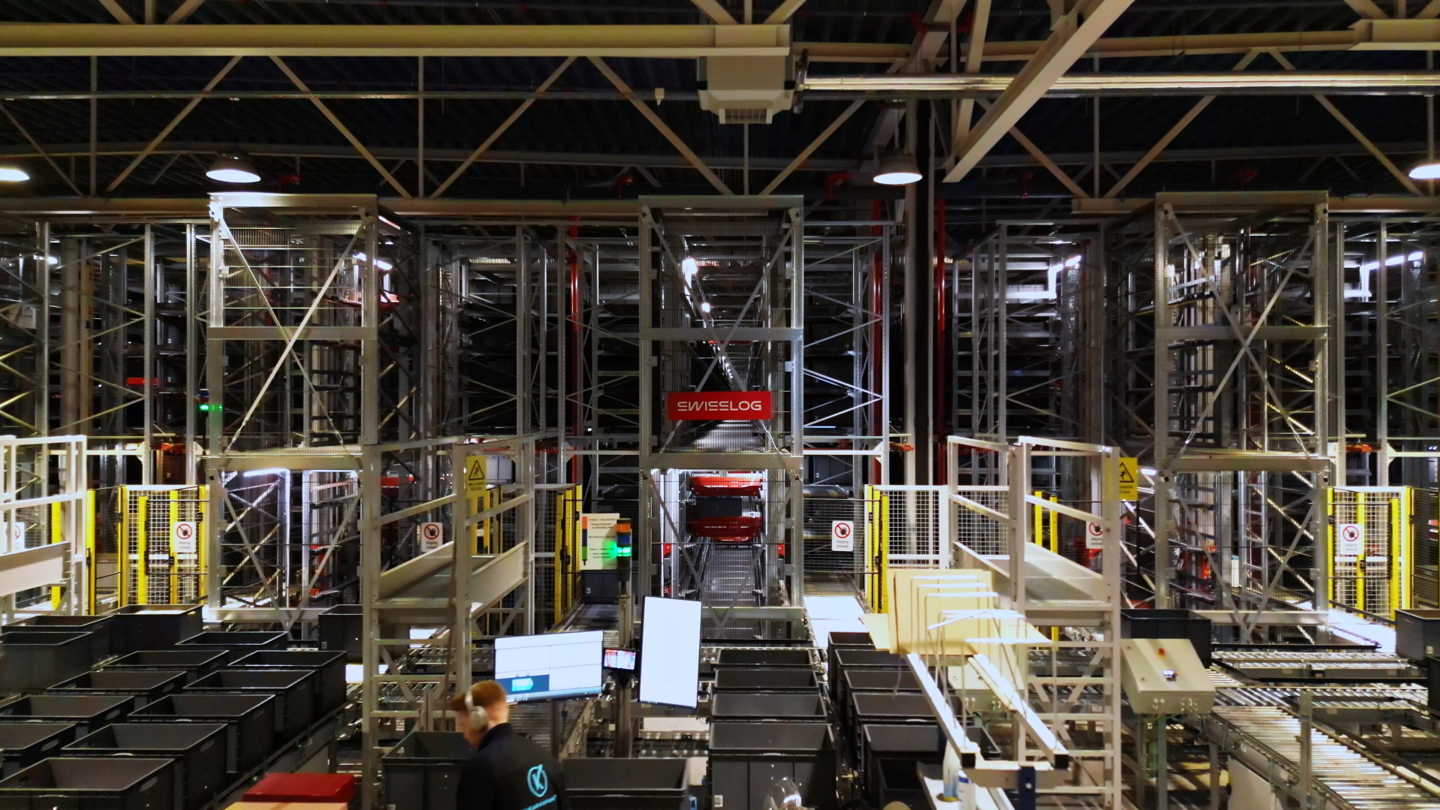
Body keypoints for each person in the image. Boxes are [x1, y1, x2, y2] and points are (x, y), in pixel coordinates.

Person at [450, 680, 571, 810]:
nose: (464, 735)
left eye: (464, 725)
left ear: (477, 720)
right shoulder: (543, 755)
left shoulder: (481, 768)